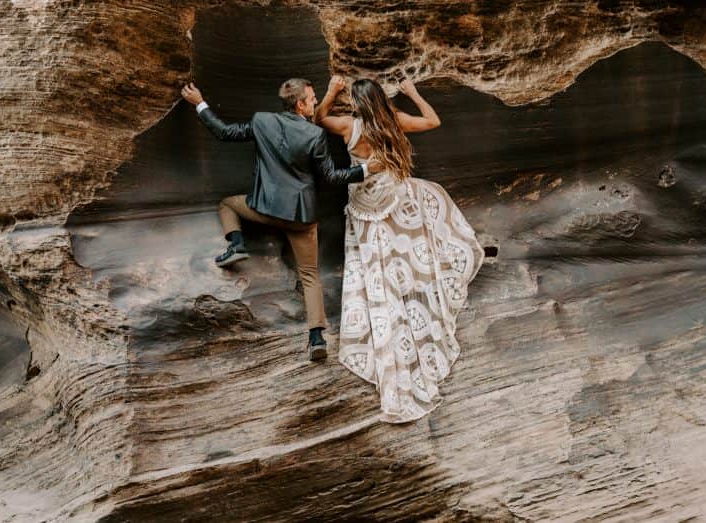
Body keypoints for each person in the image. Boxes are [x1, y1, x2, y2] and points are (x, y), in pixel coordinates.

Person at [315, 75, 483, 423]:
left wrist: (331, 92)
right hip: (393, 201)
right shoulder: (395, 122)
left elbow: (318, 118)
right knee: (410, 242)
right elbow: (433, 120)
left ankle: (388, 300)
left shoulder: (349, 126)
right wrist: (412, 93)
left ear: (358, 104)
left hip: (365, 206)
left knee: (376, 264)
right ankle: (413, 288)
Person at [180, 78, 377, 362]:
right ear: (299, 105)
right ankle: (316, 337)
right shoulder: (314, 135)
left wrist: (199, 102)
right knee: (310, 275)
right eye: (311, 99)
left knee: (227, 204)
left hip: (265, 210)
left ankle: (236, 245)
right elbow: (333, 177)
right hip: (300, 219)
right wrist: (366, 170)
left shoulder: (262, 122)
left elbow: (224, 132)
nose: (314, 102)